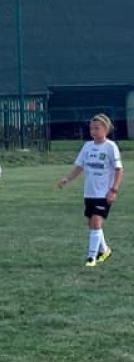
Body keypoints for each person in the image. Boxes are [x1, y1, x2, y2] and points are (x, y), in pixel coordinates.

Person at [57, 113, 123, 266]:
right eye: (91, 128)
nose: (93, 131)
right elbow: (79, 167)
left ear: (106, 129)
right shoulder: (87, 146)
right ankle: (105, 250)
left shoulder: (110, 147)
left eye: (97, 128)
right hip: (89, 193)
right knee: (91, 224)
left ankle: (91, 258)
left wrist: (114, 190)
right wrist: (67, 179)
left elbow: (119, 170)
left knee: (96, 222)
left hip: (104, 193)